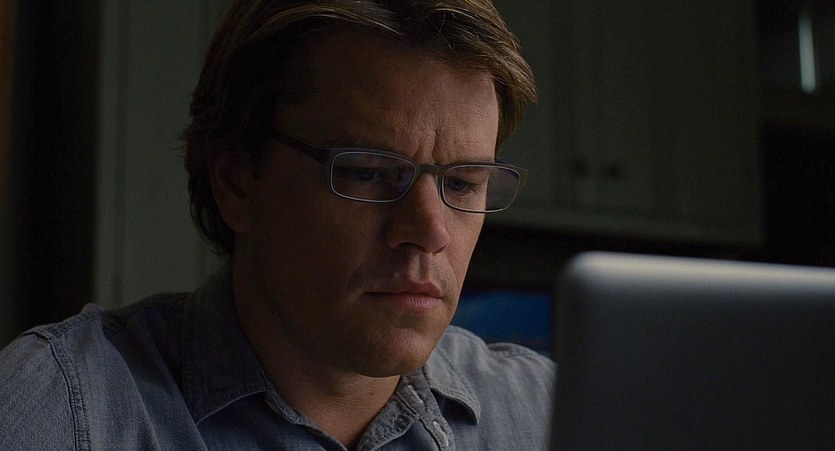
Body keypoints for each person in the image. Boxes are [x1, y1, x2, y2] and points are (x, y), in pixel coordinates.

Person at [0, 0, 555, 449]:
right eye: (366, 172)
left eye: (464, 183)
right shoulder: (61, 410)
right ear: (237, 181)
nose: (430, 231)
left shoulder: (549, 414)